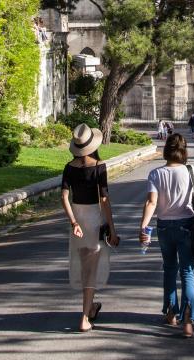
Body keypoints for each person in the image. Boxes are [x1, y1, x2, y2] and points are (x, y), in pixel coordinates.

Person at [139, 134, 194, 338]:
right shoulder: (190, 171)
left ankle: (171, 313)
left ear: (166, 149)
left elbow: (151, 203)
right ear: (184, 151)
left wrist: (144, 226)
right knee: (187, 271)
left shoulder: (156, 174)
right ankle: (189, 321)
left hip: (164, 225)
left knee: (169, 269)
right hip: (187, 224)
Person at [61, 124, 120, 332]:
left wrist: (74, 222)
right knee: (91, 271)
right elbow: (104, 198)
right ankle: (84, 318)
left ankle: (91, 306)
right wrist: (112, 229)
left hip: (78, 217)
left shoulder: (69, 167)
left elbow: (64, 197)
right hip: (94, 217)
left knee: (86, 267)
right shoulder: (99, 166)